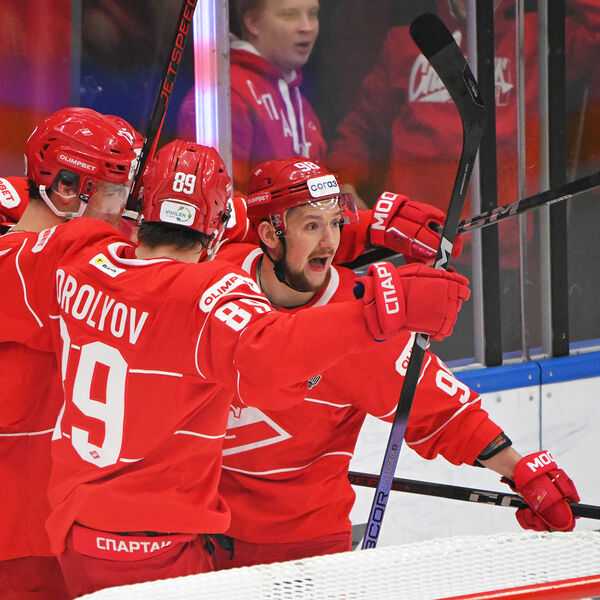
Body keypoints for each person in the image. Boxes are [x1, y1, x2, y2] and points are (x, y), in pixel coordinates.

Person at [4, 138, 469, 597]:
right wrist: (381, 308)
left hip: (76, 538)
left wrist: (355, 229)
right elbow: (273, 358)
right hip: (157, 549)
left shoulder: (78, 255)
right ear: (218, 226)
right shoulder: (205, 295)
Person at [211, 158, 580, 569]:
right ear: (268, 235)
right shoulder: (216, 275)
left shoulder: (367, 321)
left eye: (336, 224)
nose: (330, 242)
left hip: (299, 548)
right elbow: (201, 225)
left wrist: (523, 473)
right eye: (312, 226)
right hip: (199, 535)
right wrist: (369, 227)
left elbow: (449, 415)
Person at [0, 107, 143, 599]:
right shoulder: (39, 264)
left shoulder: (64, 257)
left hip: (68, 530)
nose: (122, 209)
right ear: (65, 188)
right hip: (20, 543)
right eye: (113, 192)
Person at [177, 0, 328, 197]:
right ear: (253, 23)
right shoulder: (227, 94)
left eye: (313, 14)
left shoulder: (300, 103)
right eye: (290, 15)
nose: (307, 27)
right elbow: (218, 201)